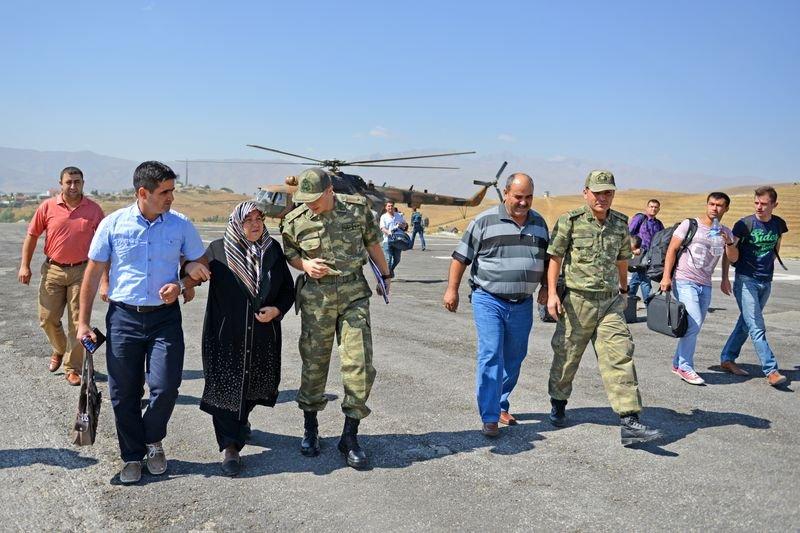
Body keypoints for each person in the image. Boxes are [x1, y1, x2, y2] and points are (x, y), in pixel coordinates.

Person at [77, 161, 210, 485]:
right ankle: (132, 455)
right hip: (123, 319)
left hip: (165, 319)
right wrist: (82, 323)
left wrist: (182, 282)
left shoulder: (180, 225)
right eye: (165, 192)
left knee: (165, 387)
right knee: (123, 393)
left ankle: (152, 440)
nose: (171, 198)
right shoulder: (113, 224)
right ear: (143, 192)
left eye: (172, 191)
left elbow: (199, 259)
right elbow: (93, 274)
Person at [281, 168, 391, 470]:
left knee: (359, 364)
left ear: (330, 191)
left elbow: (373, 244)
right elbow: (289, 252)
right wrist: (304, 263)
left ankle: (350, 436)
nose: (310, 204)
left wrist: (386, 274)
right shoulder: (294, 220)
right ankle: (311, 428)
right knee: (314, 365)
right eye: (306, 200)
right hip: (317, 300)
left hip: (354, 294)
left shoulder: (357, 211)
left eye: (315, 198)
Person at [546, 170, 662, 447]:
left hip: (609, 302)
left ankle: (630, 421)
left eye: (607, 192)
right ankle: (558, 403)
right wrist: (552, 293)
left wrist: (623, 291)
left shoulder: (620, 223)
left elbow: (623, 260)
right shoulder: (570, 221)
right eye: (597, 192)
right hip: (577, 301)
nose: (602, 198)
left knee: (620, 356)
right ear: (585, 192)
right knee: (567, 358)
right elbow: (555, 257)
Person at [443, 173, 549, 437]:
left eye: (528, 197)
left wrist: (547, 288)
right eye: (518, 197)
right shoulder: (484, 221)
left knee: (515, 357)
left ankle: (501, 404)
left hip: (522, 303)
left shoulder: (539, 223)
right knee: (491, 354)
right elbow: (460, 258)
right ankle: (489, 416)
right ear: (505, 193)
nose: (524, 203)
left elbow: (548, 261)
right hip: (488, 299)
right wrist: (451, 290)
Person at [198, 202, 294, 476]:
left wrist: (277, 310)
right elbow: (194, 272)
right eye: (247, 220)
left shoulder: (272, 250)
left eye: (258, 218)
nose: (254, 224)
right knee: (225, 389)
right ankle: (230, 447)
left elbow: (287, 289)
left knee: (252, 386)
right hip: (225, 335)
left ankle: (241, 423)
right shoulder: (218, 250)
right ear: (236, 223)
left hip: (262, 336)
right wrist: (186, 277)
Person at [18, 166, 105, 386]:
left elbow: (105, 247)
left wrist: (105, 280)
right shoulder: (47, 207)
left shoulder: (94, 210)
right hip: (53, 270)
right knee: (47, 319)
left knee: (78, 322)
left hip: (82, 272)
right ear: (61, 184)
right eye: (69, 182)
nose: (73, 186)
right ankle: (59, 349)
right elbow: (32, 236)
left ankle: (72, 367)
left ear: (83, 183)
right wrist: (24, 266)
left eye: (77, 181)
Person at [660, 192, 738, 386]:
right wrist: (666, 276)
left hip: (706, 283)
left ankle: (678, 363)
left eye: (719, 205)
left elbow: (732, 257)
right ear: (707, 205)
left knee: (695, 326)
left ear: (726, 208)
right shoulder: (690, 224)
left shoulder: (726, 232)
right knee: (693, 323)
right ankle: (686, 367)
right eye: (711, 204)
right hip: (684, 279)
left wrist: (725, 278)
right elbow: (672, 249)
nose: (715, 208)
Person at [719, 186, 789, 386]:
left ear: (774, 205)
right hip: (746, 280)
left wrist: (769, 267)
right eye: (756, 203)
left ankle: (727, 358)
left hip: (766, 280)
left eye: (764, 204)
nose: (759, 207)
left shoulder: (778, 224)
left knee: (746, 323)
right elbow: (729, 252)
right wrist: (725, 277)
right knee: (757, 326)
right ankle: (771, 370)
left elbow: (776, 245)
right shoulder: (744, 224)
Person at [627, 199, 664, 302]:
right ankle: (649, 305)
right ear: (647, 208)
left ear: (658, 209)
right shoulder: (640, 218)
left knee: (637, 277)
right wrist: (632, 249)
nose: (653, 209)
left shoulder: (658, 224)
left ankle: (629, 299)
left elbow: (662, 238)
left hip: (650, 256)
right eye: (651, 206)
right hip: (640, 254)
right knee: (645, 280)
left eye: (656, 207)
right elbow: (628, 234)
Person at [379, 201, 407, 277]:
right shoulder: (383, 217)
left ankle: (390, 270)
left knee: (397, 259)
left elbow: (404, 225)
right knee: (388, 259)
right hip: (387, 240)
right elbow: (382, 228)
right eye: (389, 206)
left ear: (394, 207)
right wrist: (389, 233)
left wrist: (402, 224)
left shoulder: (398, 215)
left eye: (391, 206)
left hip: (398, 241)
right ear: (386, 207)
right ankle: (386, 275)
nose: (390, 207)